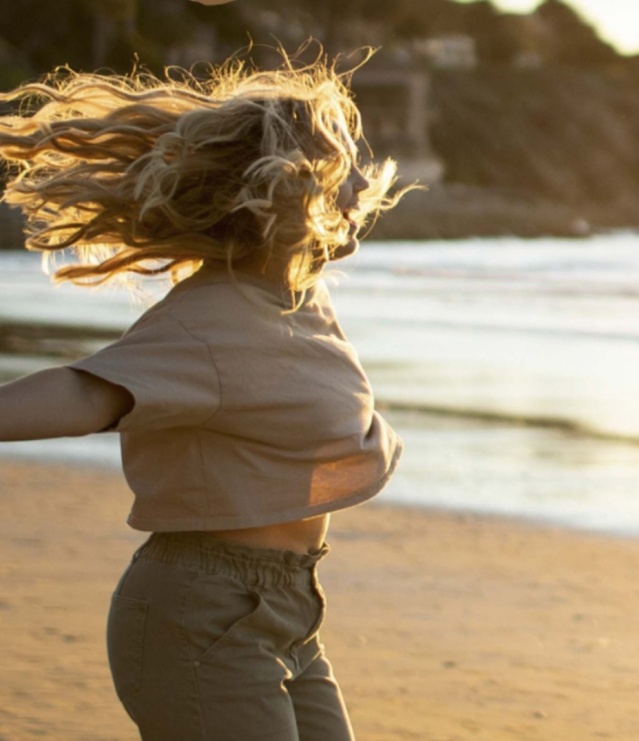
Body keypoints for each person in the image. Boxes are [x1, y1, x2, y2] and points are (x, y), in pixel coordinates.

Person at [0, 54, 407, 740]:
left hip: (288, 608)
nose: (360, 178)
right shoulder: (210, 319)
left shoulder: (300, 301)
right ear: (289, 187)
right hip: (204, 611)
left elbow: (302, 431)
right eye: (341, 161)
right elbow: (91, 390)